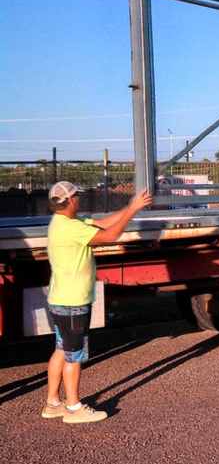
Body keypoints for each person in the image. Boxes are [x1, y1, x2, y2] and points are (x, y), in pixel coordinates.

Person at [42, 181, 152, 424]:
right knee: (74, 355)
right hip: (73, 302)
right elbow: (111, 235)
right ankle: (73, 408)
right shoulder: (72, 229)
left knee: (62, 349)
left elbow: (103, 223)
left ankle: (53, 403)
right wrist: (133, 210)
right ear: (70, 200)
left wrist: (131, 206)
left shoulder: (63, 223)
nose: (79, 200)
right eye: (77, 197)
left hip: (61, 299)